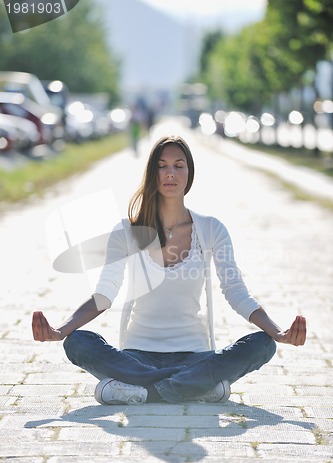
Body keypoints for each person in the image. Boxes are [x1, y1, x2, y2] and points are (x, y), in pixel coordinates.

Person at [32, 135, 306, 405]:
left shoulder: (211, 229)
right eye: (162, 166)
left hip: (197, 356)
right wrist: (61, 330)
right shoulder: (126, 231)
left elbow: (235, 292)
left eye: (179, 165)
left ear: (190, 173)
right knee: (77, 341)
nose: (170, 173)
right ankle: (193, 387)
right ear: (152, 173)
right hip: (137, 357)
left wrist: (278, 332)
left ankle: (145, 390)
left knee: (263, 344)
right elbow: (104, 295)